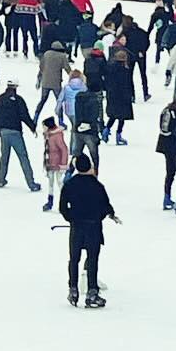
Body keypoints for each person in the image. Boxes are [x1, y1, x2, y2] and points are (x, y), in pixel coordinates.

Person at [57, 153, 117, 308]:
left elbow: (62, 207)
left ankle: (73, 289)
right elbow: (105, 205)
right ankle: (92, 292)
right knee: (92, 260)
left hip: (77, 227)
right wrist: (104, 215)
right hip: (94, 227)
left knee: (74, 259)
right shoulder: (97, 186)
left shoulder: (70, 185)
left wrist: (71, 218)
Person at [0, 80, 40, 191]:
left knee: (4, 157)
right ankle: (31, 184)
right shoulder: (18, 100)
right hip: (15, 132)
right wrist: (32, 127)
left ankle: (0, 180)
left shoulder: (0, 99)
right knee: (23, 157)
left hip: (3, 132)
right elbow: (24, 115)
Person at [40, 118, 69, 212]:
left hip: (57, 164)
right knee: (51, 184)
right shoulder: (48, 135)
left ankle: (64, 202)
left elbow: (64, 149)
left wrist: (63, 164)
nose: (42, 128)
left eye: (44, 126)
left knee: (60, 183)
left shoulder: (56, 136)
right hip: (50, 164)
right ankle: (50, 202)